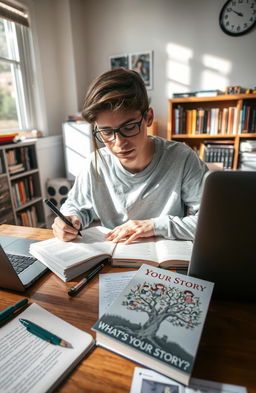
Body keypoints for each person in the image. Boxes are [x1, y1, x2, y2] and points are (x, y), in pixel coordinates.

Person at [52, 68, 208, 243]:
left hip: (165, 261)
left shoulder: (182, 158)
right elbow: (74, 206)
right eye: (106, 132)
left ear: (148, 117)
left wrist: (154, 226)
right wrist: (68, 219)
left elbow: (212, 222)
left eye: (129, 127)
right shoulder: (95, 164)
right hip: (112, 259)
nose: (119, 143)